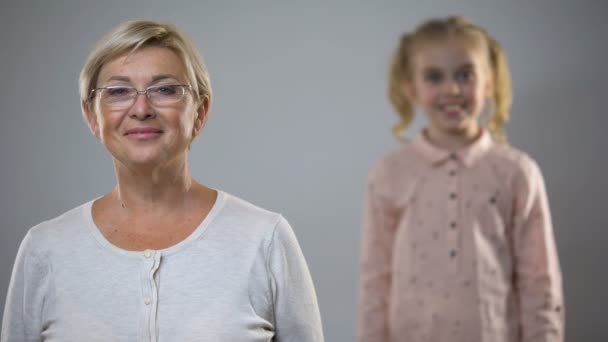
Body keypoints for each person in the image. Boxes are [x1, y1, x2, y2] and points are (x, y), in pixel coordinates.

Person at [1, 20, 323, 341]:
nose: (141, 108)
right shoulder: (44, 251)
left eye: (165, 89)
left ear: (199, 112)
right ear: (92, 117)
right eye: (118, 91)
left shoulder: (264, 241)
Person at [357, 16, 563, 342]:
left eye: (465, 75)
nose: (451, 89)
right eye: (434, 77)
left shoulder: (517, 173)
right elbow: (376, 280)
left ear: (489, 83)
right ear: (410, 88)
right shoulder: (389, 174)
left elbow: (539, 283)